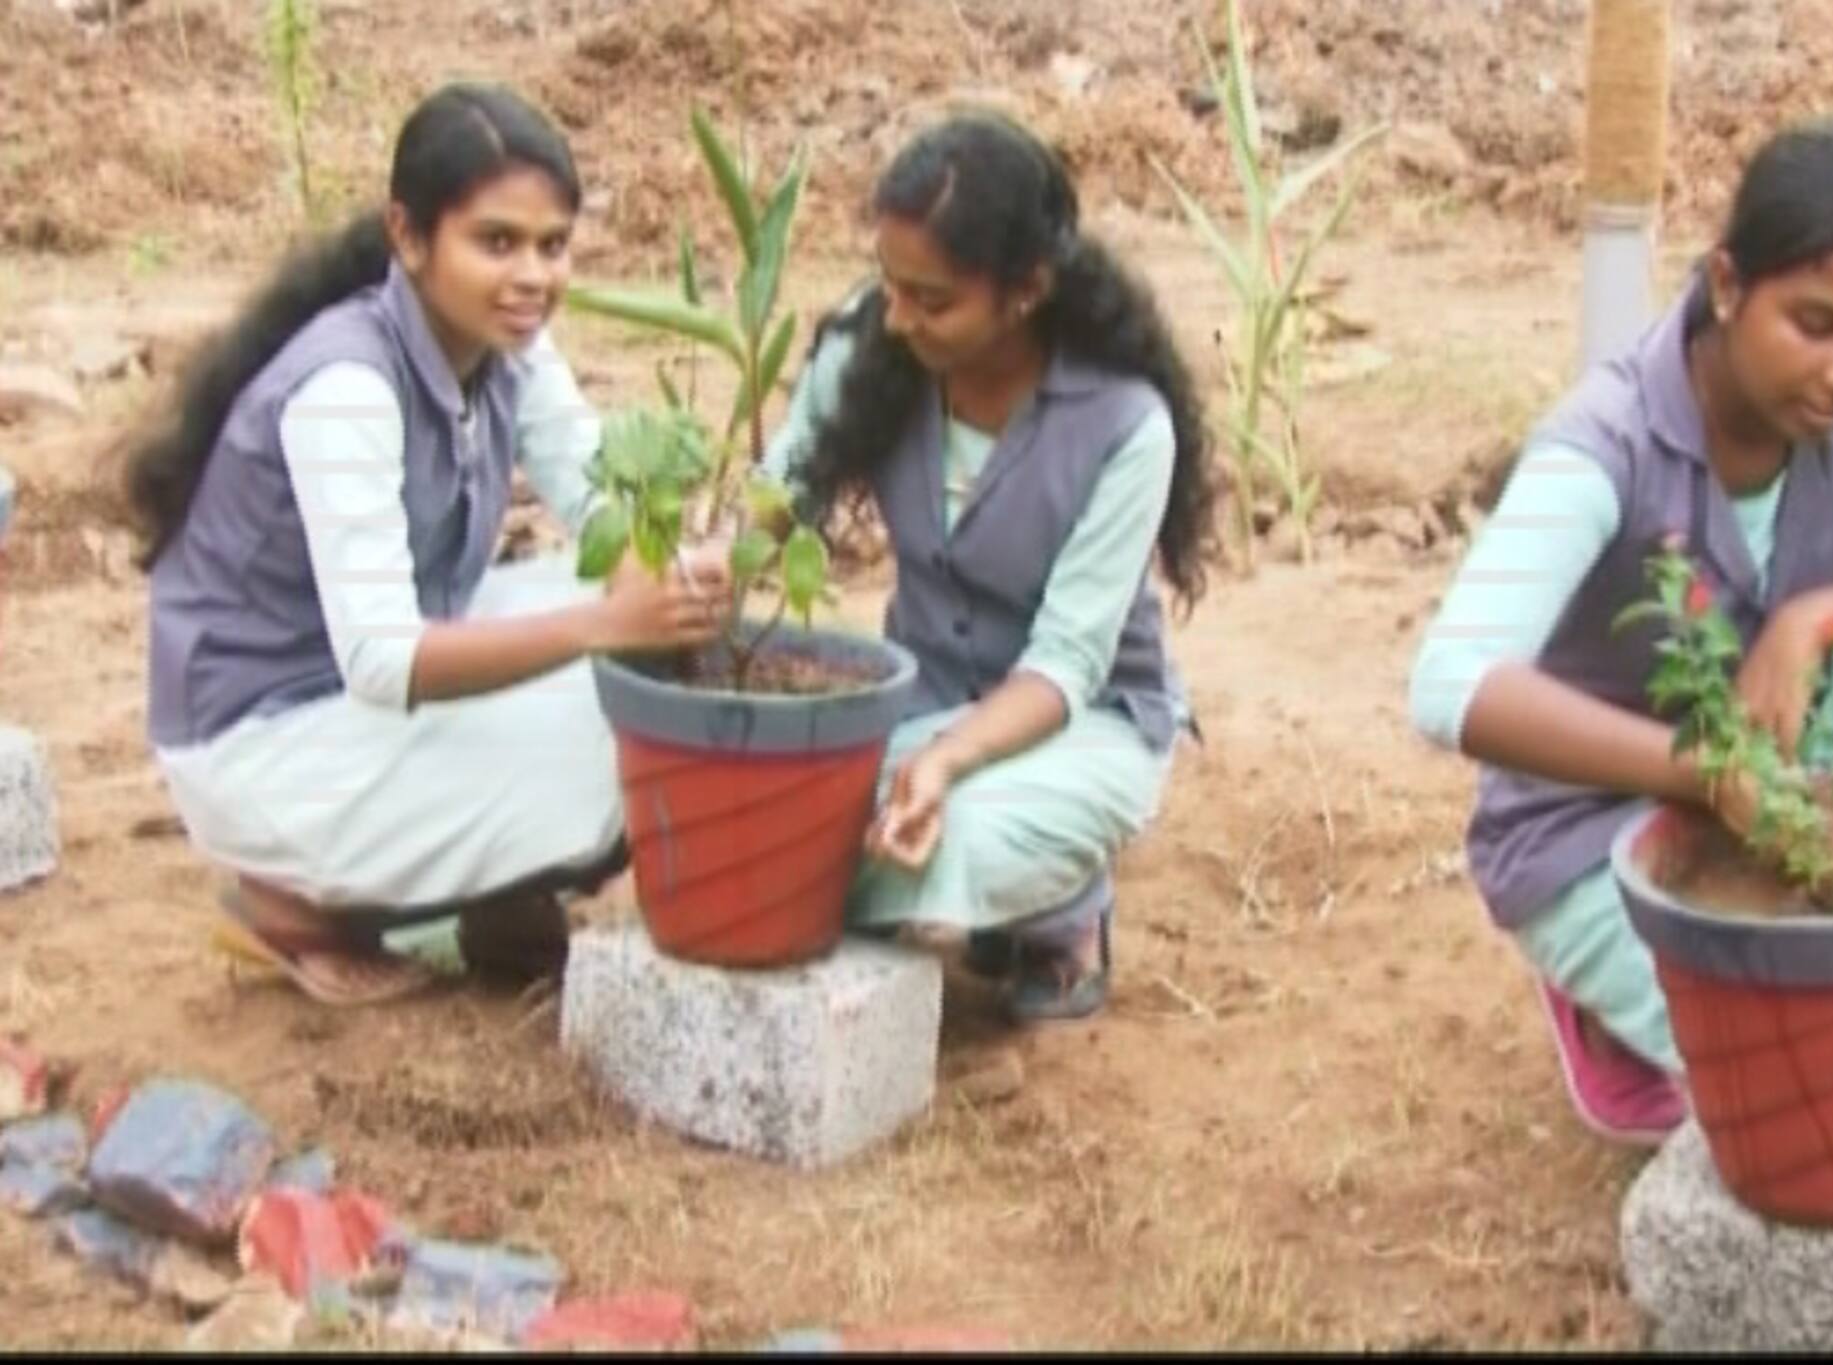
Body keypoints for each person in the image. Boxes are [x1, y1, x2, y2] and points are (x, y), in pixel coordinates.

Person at [1409, 118, 1833, 1144]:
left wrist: (1817, 615)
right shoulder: (1603, 442)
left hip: (1796, 767)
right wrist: (1702, 773)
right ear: (1723, 286)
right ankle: (1608, 988)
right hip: (1595, 828)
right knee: (1828, 1097)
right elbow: (1449, 684)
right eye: (1814, 322)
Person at [128, 84, 730, 1006]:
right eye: (496, 242)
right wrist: (609, 627)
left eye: (552, 245)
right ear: (408, 237)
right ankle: (295, 899)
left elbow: (601, 502)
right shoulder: (348, 388)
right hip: (269, 740)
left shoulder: (510, 344)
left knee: (664, 653)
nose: (532, 274)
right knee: (629, 740)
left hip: (354, 681)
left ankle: (495, 888)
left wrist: (682, 574)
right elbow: (382, 659)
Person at [759, 112, 1215, 1023]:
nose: (898, 317)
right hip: (919, 700)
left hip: (1078, 725)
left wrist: (945, 759)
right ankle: (958, 888)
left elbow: (1066, 667)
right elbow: (771, 505)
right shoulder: (869, 346)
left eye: (931, 301)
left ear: (1027, 289)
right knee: (786, 814)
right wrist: (694, 565)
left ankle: (1064, 907)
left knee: (950, 832)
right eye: (889, 286)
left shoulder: (1125, 425)